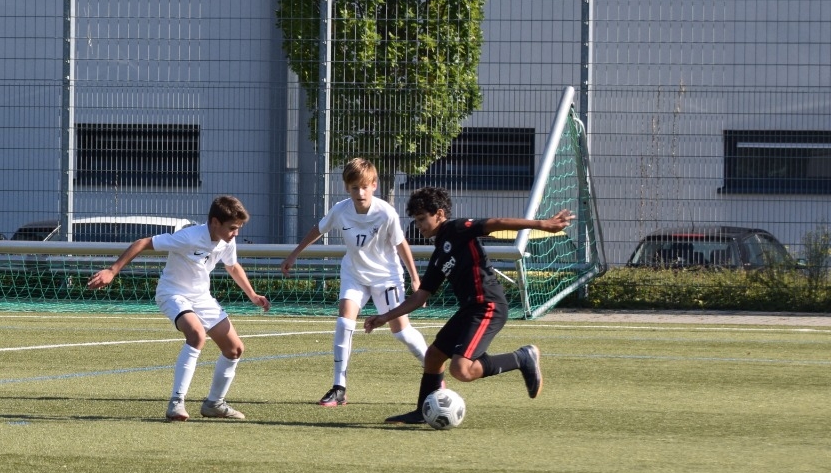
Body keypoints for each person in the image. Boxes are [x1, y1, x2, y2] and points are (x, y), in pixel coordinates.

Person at [363, 186, 573, 425]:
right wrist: (384, 317)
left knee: (461, 370)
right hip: (469, 310)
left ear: (440, 214)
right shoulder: (439, 254)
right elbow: (419, 297)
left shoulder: (457, 229)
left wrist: (542, 224)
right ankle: (423, 411)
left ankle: (521, 358)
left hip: (488, 306)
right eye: (416, 220)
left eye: (422, 219)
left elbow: (497, 222)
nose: (419, 225)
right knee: (433, 356)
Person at [87, 195, 270, 421]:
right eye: (232, 228)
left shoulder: (227, 241)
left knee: (235, 349)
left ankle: (214, 403)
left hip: (202, 298)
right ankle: (177, 402)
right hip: (173, 293)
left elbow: (232, 266)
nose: (236, 233)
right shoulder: (189, 236)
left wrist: (252, 294)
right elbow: (142, 243)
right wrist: (112, 271)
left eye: (238, 228)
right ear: (215, 222)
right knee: (196, 334)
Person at [281, 157, 426, 407]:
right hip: (354, 274)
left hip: (385, 276)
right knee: (344, 322)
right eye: (354, 187)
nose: (360, 192)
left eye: (364, 186)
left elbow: (401, 244)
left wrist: (415, 279)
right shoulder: (340, 209)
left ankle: (433, 370)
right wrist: (294, 254)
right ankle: (339, 388)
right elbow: (319, 228)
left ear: (374, 185)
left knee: (402, 332)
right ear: (347, 188)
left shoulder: (385, 212)